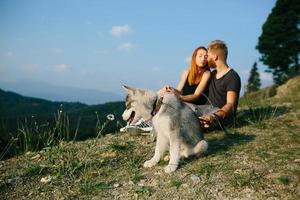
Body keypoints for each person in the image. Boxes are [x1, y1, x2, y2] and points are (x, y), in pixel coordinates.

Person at [199, 40, 241, 129]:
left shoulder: (233, 76)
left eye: (208, 56)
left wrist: (214, 116)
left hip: (220, 118)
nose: (206, 59)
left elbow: (230, 104)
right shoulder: (212, 74)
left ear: (215, 57)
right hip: (204, 111)